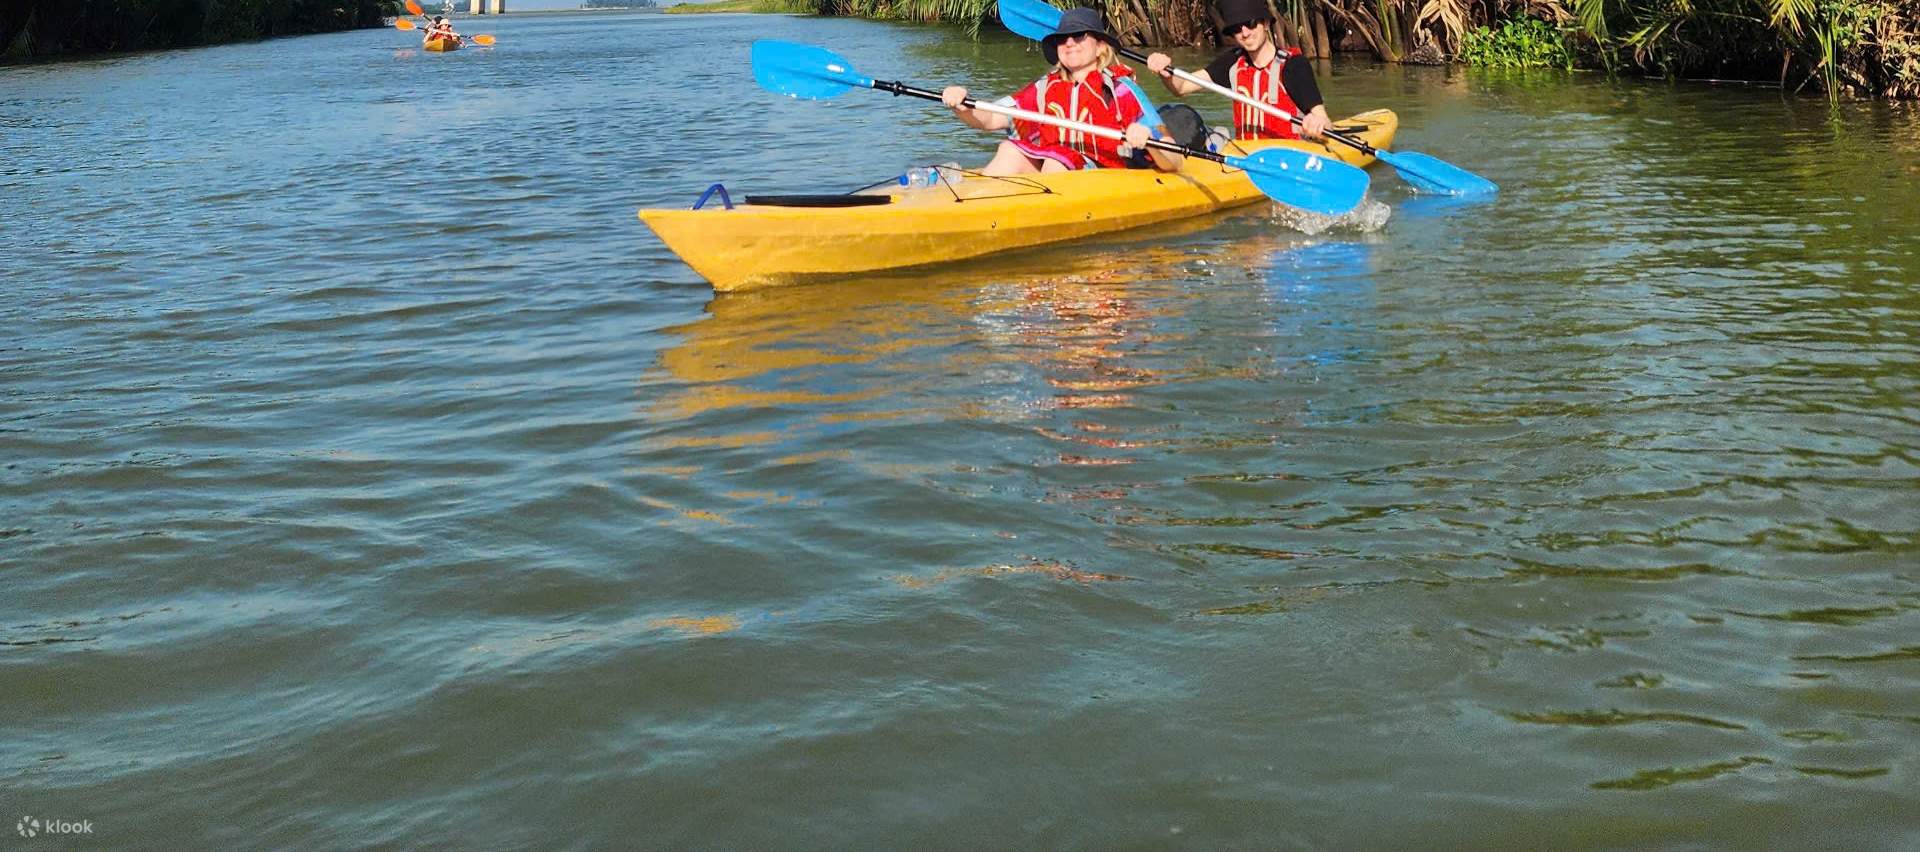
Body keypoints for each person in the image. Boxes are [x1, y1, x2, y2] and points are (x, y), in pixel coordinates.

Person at [941, 8, 1182, 176]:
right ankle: (980, 211)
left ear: (1100, 46)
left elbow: (1174, 160)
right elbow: (992, 118)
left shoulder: (1122, 90)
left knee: (1056, 160)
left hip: (1103, 177)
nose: (1069, 43)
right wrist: (963, 105)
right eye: (1061, 39)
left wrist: (1148, 141)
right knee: (1010, 149)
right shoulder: (1044, 88)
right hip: (1055, 171)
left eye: (1078, 36)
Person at [1144, 0, 1330, 141]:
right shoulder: (1233, 63)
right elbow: (1181, 87)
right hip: (1249, 160)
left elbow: (1325, 122)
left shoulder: (1294, 66)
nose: (1245, 33)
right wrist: (1166, 72)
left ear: (1265, 23)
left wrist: (1317, 124)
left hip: (1290, 157)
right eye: (1236, 28)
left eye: (1250, 23)